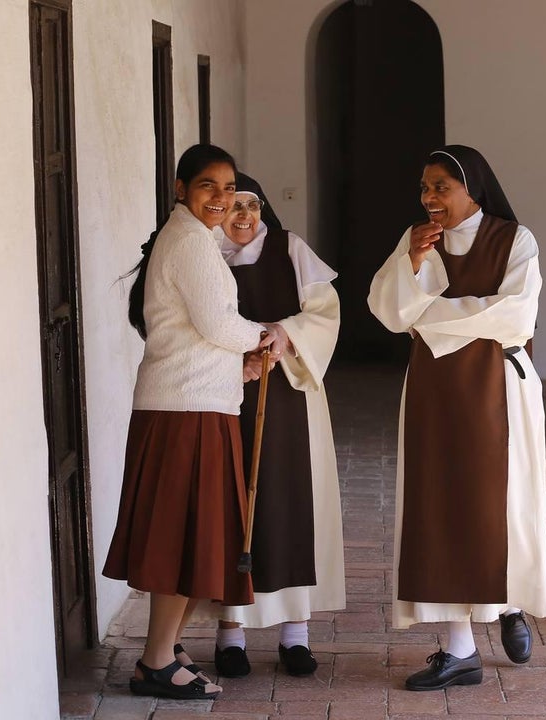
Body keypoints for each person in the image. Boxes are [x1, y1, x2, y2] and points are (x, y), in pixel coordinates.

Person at [102, 144, 287, 700]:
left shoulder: (193, 239)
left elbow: (200, 332)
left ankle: (166, 650)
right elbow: (216, 322)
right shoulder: (187, 240)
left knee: (189, 537)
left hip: (194, 402)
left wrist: (243, 364)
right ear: (181, 189)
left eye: (229, 188)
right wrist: (263, 335)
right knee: (182, 538)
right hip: (185, 412)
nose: (222, 198)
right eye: (208, 186)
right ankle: (156, 662)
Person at [368, 145, 546, 690]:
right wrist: (414, 265)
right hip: (434, 390)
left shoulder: (515, 239)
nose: (429, 198)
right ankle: (458, 648)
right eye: (424, 188)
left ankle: (509, 603)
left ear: (472, 188)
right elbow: (387, 311)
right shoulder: (416, 242)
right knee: (439, 506)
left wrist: (429, 318)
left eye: (440, 187)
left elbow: (515, 315)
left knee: (498, 505)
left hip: (498, 388)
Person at [206, 173, 345, 678]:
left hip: (289, 393)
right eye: (232, 206)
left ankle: (295, 636)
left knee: (289, 504)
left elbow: (325, 312)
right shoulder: (206, 255)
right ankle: (231, 635)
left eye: (251, 205)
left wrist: (285, 334)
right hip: (223, 394)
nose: (243, 216)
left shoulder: (289, 248)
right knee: (233, 507)